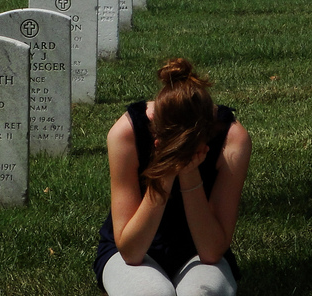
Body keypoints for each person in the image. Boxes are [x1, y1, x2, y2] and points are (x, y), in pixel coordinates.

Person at [94, 58, 252, 296]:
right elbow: (131, 251)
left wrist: (190, 174)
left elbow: (211, 251)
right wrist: (165, 171)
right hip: (131, 249)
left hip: (201, 252)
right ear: (154, 130)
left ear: (208, 134)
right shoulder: (125, 133)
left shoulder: (233, 138)